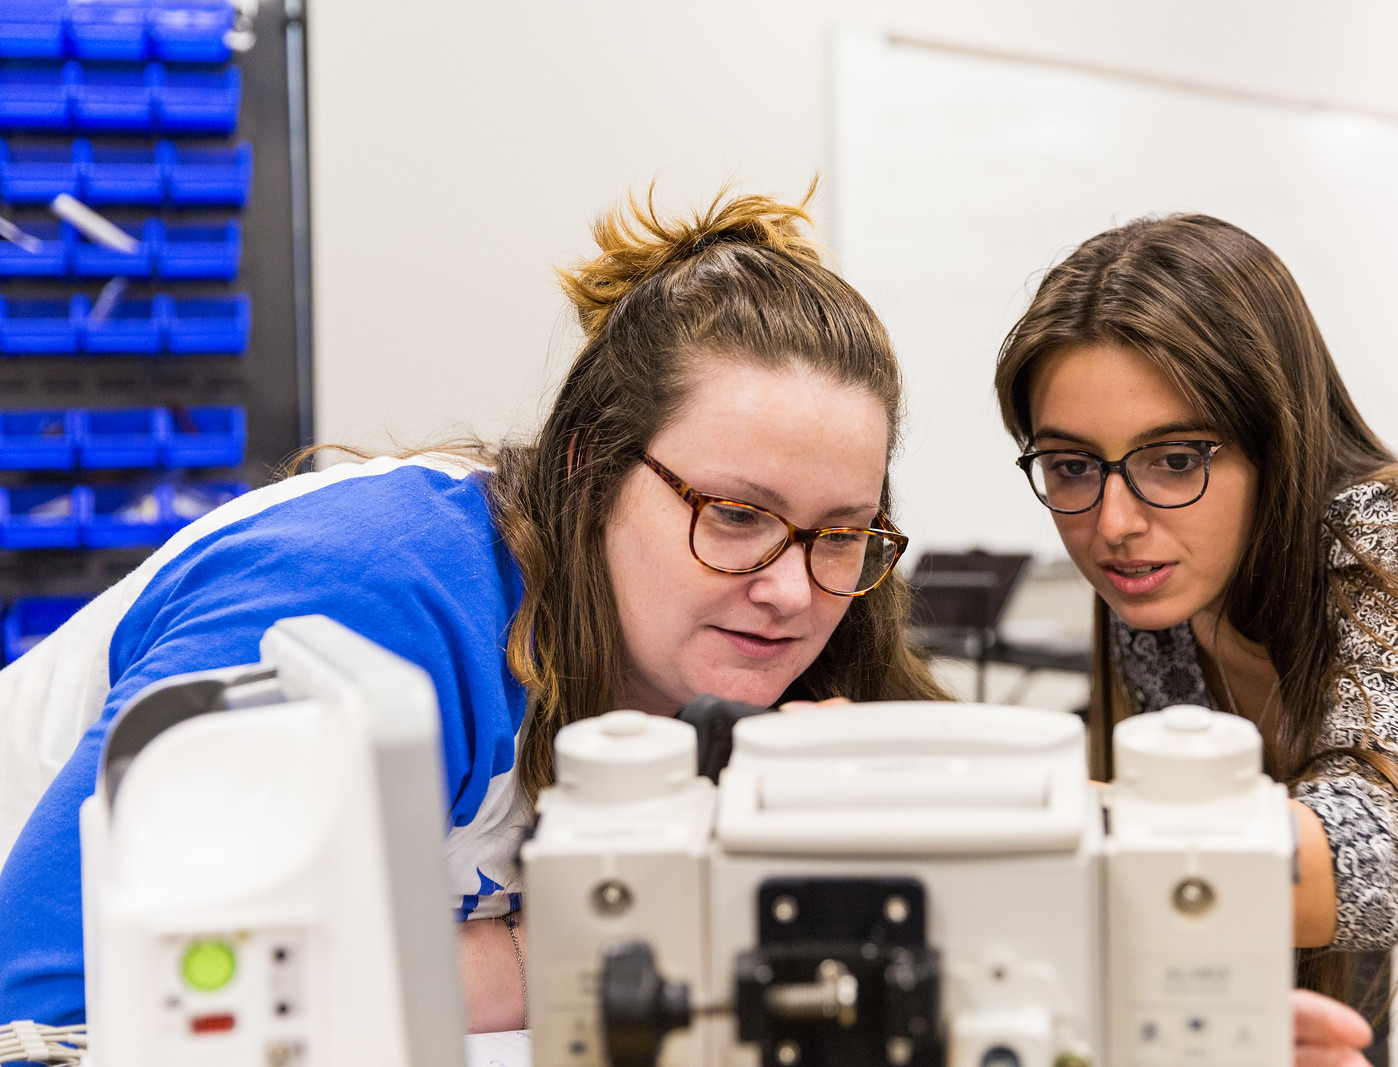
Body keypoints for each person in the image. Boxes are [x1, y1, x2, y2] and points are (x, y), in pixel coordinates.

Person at [0, 185, 943, 1032]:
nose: (789, 589)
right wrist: (563, 951)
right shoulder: (382, 603)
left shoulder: (805, 623)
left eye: (840, 532)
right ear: (589, 463)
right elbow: (58, 1007)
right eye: (735, 515)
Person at [994, 213, 1398, 1065]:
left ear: (1276, 438)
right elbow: (1232, 896)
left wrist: (988, 809)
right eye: (1071, 465)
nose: (1114, 522)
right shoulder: (1163, 604)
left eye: (1174, 459)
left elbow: (1365, 858)